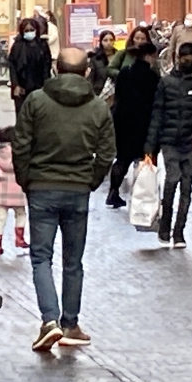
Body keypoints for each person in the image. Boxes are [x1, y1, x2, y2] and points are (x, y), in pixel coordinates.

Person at [12, 48, 115, 351]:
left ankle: (49, 320)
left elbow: (21, 144)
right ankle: (71, 324)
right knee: (73, 261)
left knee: (41, 257)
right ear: (86, 72)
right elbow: (107, 153)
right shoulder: (98, 107)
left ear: (55, 70)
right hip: (77, 190)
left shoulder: (36, 100)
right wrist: (91, 181)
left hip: (41, 187)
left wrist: (26, 179)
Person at [145, 42, 192, 247]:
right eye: (183, 58)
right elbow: (157, 114)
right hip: (169, 142)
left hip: (189, 142)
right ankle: (166, 227)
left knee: (186, 186)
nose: (186, 61)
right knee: (172, 181)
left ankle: (179, 232)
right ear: (177, 58)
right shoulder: (166, 83)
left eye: (190, 58)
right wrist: (149, 148)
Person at [107, 42, 160, 208]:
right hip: (144, 122)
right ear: (149, 56)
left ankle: (113, 192)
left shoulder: (125, 72)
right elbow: (154, 101)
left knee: (122, 158)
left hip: (123, 120)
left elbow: (119, 95)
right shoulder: (152, 76)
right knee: (145, 159)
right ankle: (143, 193)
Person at [0, 126, 29, 256]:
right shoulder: (19, 154)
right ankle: (19, 238)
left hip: (0, 193)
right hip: (18, 191)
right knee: (21, 214)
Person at [8, 18, 53, 114]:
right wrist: (15, 85)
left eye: (31, 30)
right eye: (26, 31)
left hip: (39, 86)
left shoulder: (42, 45)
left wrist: (46, 86)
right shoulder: (17, 46)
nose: (29, 33)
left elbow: (46, 66)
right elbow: (13, 67)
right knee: (22, 114)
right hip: (22, 87)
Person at [88, 29, 117, 96]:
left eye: (111, 40)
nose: (109, 43)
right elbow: (91, 78)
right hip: (99, 93)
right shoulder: (95, 59)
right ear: (101, 42)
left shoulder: (119, 56)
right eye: (105, 40)